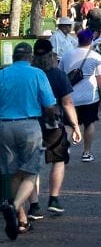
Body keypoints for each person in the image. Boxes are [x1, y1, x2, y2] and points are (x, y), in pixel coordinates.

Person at [0, 42, 57, 240]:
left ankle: (21, 220)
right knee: (31, 172)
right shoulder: (37, 74)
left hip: (5, 126)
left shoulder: (2, 74)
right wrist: (53, 120)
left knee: (14, 173)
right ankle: (13, 206)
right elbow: (49, 105)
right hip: (29, 125)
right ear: (30, 58)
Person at [27, 39, 80, 222]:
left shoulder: (30, 74)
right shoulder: (58, 75)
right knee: (58, 160)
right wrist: (74, 125)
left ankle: (34, 204)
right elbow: (67, 103)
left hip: (31, 122)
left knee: (32, 165)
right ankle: (54, 198)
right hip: (53, 123)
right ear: (51, 55)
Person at [61, 28, 101, 163]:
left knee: (68, 125)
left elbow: (61, 75)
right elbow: (100, 79)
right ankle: (87, 152)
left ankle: (64, 149)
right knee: (89, 123)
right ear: (91, 40)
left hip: (70, 97)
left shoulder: (66, 55)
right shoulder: (96, 56)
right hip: (89, 96)